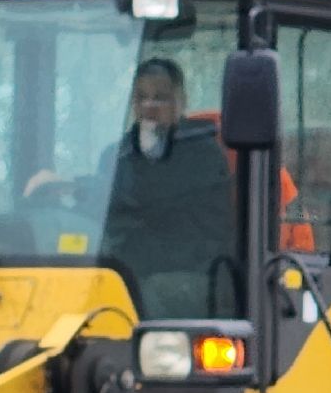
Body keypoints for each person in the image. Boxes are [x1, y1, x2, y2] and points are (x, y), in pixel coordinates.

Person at [99, 58, 234, 317]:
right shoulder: (114, 156)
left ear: (181, 102)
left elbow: (167, 206)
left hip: (192, 269)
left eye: (160, 98)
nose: (149, 106)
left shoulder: (203, 154)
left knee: (146, 295)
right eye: (141, 98)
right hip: (122, 268)